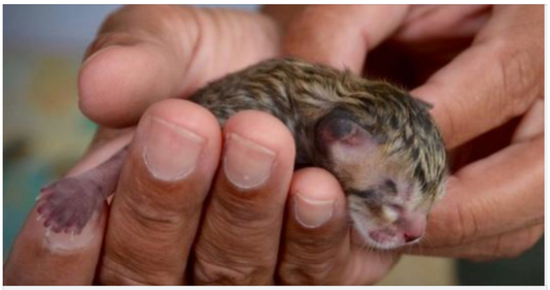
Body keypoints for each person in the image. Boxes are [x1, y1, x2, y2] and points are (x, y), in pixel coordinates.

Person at [4, 5, 543, 285]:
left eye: (423, 204)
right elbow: (159, 132)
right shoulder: (261, 107)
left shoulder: (344, 140)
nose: (413, 231)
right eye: (390, 191)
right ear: (339, 135)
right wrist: (88, 186)